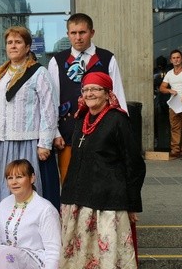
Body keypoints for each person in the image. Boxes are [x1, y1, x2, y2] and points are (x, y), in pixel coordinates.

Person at [50, 72, 145, 269]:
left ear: (107, 94)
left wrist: (132, 203)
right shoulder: (81, 120)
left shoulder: (118, 121)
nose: (90, 94)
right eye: (86, 90)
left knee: (106, 259)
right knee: (83, 258)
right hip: (80, 199)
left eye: (96, 90)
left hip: (109, 202)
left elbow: (134, 164)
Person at [0, 26, 59, 237]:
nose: (13, 46)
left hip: (26, 142)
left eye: (18, 42)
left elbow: (49, 109)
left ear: (28, 46)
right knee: (0, 190)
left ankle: (27, 234)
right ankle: (1, 235)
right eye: (10, 43)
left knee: (24, 189)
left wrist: (45, 143)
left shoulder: (39, 73)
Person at [48, 13, 127, 183]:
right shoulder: (57, 61)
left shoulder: (107, 58)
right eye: (73, 33)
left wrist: (122, 130)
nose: (78, 37)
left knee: (101, 179)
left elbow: (118, 94)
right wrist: (54, 131)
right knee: (68, 181)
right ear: (68, 34)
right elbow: (51, 102)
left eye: (82, 32)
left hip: (102, 129)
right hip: (67, 130)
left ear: (92, 32)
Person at [159, 49, 182, 158]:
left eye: (178, 57)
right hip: (174, 104)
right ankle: (175, 151)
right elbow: (162, 87)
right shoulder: (169, 74)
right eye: (174, 58)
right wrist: (169, 90)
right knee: (174, 128)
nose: (176, 60)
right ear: (171, 60)